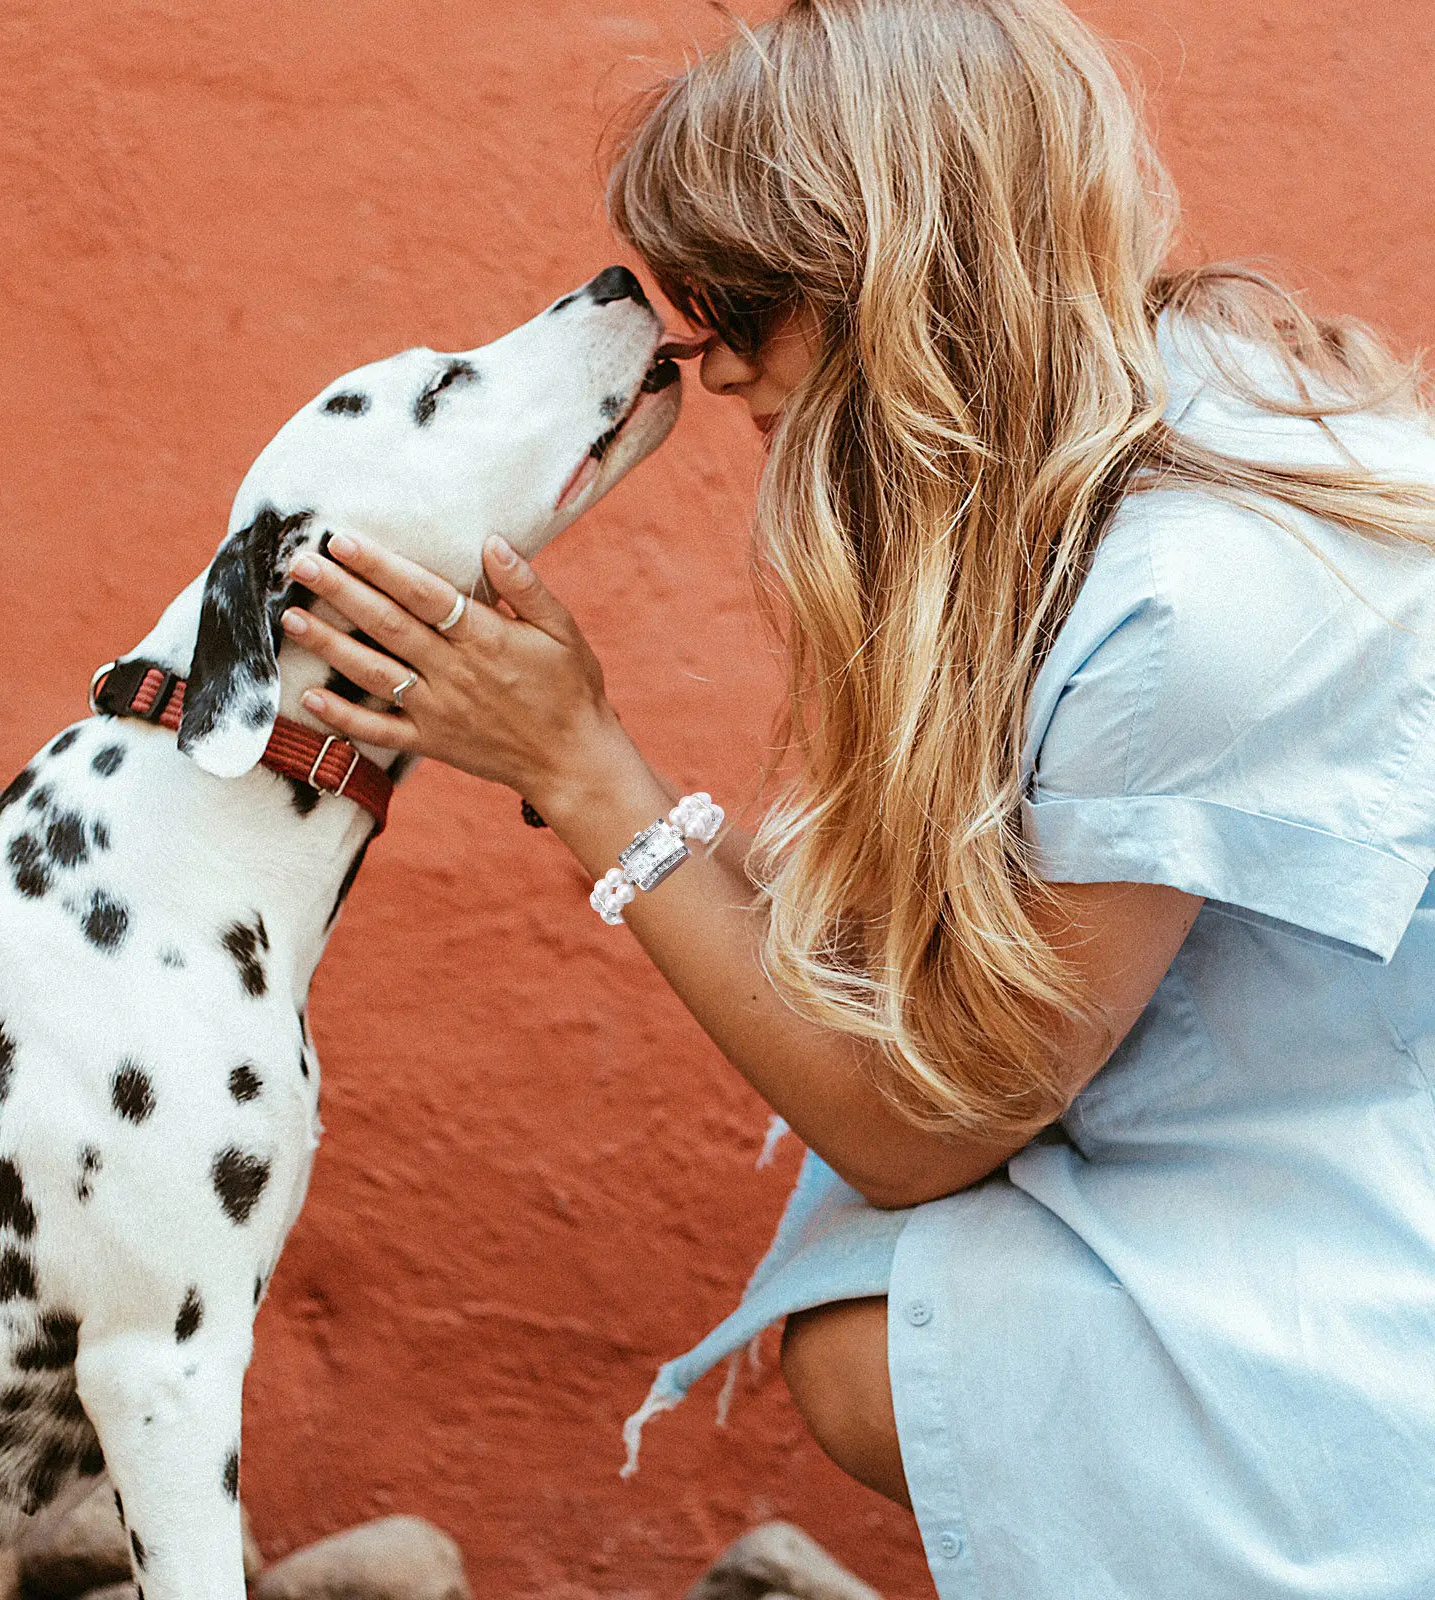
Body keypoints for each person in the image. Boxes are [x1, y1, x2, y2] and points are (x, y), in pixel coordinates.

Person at [279, 1, 1435, 1594]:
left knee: (879, 1340)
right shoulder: (1134, 418)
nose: (721, 362)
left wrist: (584, 771)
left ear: (914, 264)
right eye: (700, 308)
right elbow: (913, 973)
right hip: (1272, 1130)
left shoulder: (1197, 601)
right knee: (869, 1313)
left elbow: (918, 1127)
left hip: (1362, 1224)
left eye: (751, 300)